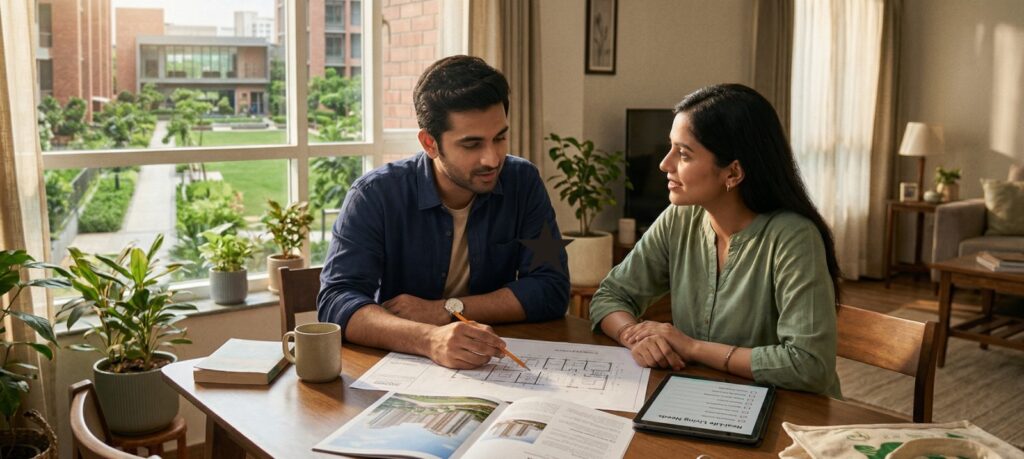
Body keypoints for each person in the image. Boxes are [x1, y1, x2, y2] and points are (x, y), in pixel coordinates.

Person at [589, 84, 842, 397]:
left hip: (789, 414)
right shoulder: (680, 218)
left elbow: (809, 365)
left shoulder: (794, 238)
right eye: (670, 148)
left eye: (683, 154)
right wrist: (634, 335)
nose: (664, 164)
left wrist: (692, 347)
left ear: (733, 173)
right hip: (700, 398)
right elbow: (610, 295)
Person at [318, 55, 570, 370]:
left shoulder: (523, 182)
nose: (492, 159)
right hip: (403, 368)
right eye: (472, 144)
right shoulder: (374, 195)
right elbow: (336, 301)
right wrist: (428, 339)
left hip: (493, 364)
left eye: (500, 137)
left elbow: (552, 288)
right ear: (430, 143)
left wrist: (446, 310)